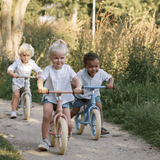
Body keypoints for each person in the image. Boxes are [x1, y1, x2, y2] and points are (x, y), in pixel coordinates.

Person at [37, 39, 81, 151]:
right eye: (56, 58)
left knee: (69, 123)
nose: (59, 60)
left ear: (66, 57)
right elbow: (41, 79)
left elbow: (76, 79)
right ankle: (45, 140)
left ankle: (66, 136)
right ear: (50, 58)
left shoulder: (68, 69)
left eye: (62, 58)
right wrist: (41, 87)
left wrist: (78, 87)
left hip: (64, 98)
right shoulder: (48, 69)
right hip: (51, 97)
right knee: (47, 114)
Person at [71, 52, 114, 135]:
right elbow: (72, 82)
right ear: (85, 66)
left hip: (95, 95)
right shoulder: (81, 74)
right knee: (74, 112)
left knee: (99, 106)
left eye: (96, 66)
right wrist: (77, 86)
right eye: (90, 67)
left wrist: (110, 84)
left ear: (99, 65)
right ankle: (64, 123)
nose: (94, 69)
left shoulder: (101, 73)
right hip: (81, 96)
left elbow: (110, 78)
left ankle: (100, 127)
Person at [7, 43, 42, 119]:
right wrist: (12, 73)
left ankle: (27, 108)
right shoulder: (17, 62)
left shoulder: (32, 63)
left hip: (26, 83)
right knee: (16, 95)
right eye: (24, 55)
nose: (26, 57)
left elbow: (38, 69)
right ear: (20, 55)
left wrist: (39, 74)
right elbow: (10, 68)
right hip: (17, 82)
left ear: (31, 55)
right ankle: (13, 111)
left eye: (28, 55)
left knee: (29, 96)